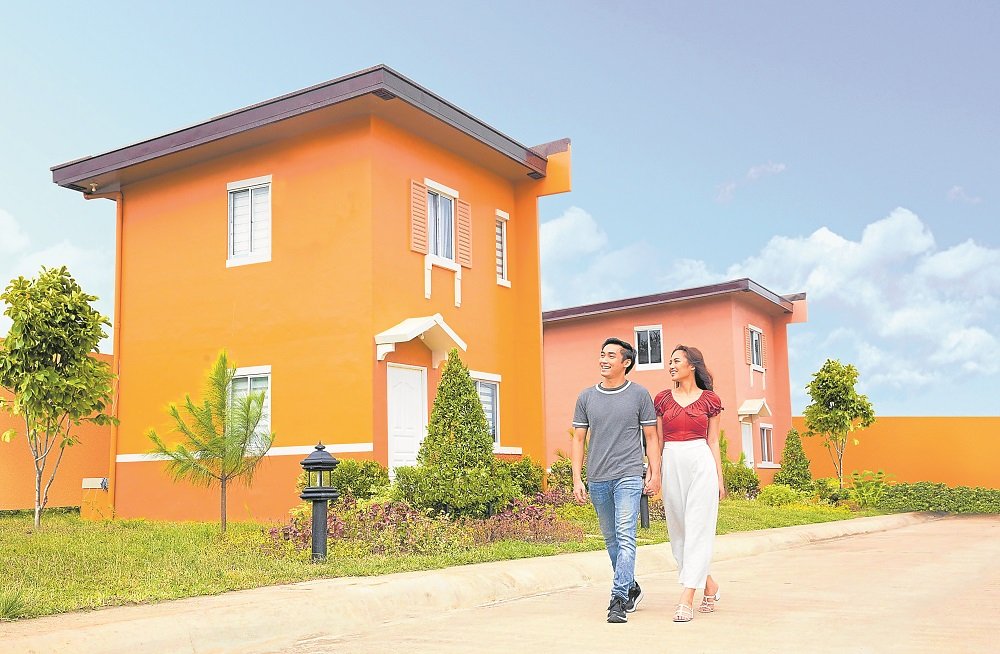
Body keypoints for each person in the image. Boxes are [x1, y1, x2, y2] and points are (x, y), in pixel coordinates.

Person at [572, 337, 662, 624]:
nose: (603, 359)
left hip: (629, 475)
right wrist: (577, 478)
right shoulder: (586, 397)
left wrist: (655, 471)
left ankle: (618, 599)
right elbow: (578, 439)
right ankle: (631, 586)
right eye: (602, 354)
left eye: (611, 355)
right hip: (598, 477)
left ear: (626, 363)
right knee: (612, 540)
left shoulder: (639, 395)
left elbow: (651, 437)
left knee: (626, 535)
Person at [654, 344, 725, 623]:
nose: (671, 366)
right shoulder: (661, 399)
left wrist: (720, 478)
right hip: (671, 459)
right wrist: (654, 472)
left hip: (700, 461)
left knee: (698, 527)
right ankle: (709, 584)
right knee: (680, 530)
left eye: (676, 361)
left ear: (691, 365)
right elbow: (657, 442)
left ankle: (687, 596)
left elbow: (714, 441)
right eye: (669, 362)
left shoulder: (710, 400)